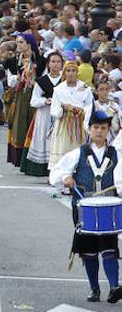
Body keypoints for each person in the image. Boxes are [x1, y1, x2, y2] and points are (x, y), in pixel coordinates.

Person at [50, 110, 122, 303]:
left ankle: (114, 287)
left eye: (103, 128)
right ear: (89, 129)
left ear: (108, 131)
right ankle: (94, 288)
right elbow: (56, 173)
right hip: (84, 209)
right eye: (96, 127)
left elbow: (120, 181)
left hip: (107, 209)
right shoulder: (78, 153)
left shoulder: (116, 155)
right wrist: (65, 178)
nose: (99, 131)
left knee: (109, 246)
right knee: (89, 249)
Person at [21, 51, 63, 177]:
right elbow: (33, 101)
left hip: (61, 115)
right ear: (48, 64)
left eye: (58, 62)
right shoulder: (41, 81)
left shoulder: (65, 80)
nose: (55, 64)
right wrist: (45, 101)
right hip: (45, 114)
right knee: (44, 138)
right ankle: (42, 168)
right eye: (53, 62)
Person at [4, 34, 41, 166]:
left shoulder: (40, 61)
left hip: (36, 94)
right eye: (17, 42)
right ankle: (19, 158)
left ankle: (34, 156)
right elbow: (10, 82)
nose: (18, 45)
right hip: (21, 95)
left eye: (21, 42)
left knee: (34, 125)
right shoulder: (13, 61)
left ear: (29, 44)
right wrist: (18, 78)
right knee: (20, 125)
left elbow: (44, 77)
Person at [49, 61, 94, 169]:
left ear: (77, 72)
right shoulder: (59, 89)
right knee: (63, 147)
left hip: (79, 123)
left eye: (73, 70)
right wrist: (62, 109)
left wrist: (80, 111)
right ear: (64, 72)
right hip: (64, 123)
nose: (71, 73)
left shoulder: (85, 88)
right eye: (68, 70)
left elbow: (90, 105)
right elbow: (54, 109)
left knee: (78, 148)